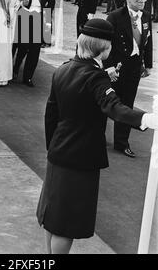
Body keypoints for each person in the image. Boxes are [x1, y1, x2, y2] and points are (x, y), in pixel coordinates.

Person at [36, 18, 158, 254]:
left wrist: (52, 147)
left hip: (59, 151)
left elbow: (51, 114)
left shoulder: (63, 69)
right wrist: (147, 119)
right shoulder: (96, 77)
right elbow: (115, 107)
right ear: (103, 47)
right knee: (66, 223)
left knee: (52, 216)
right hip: (81, 157)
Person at [104, 0, 153, 157]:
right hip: (116, 66)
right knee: (106, 102)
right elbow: (106, 43)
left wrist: (147, 64)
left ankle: (121, 142)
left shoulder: (146, 16)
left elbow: (148, 41)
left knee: (127, 104)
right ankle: (97, 137)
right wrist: (108, 66)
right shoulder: (115, 16)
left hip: (133, 67)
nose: (141, 1)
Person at [13, 0, 55, 86]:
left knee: (35, 49)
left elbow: (51, 1)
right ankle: (15, 68)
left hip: (40, 17)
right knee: (23, 46)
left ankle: (28, 77)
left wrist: (48, 24)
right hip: (26, 15)